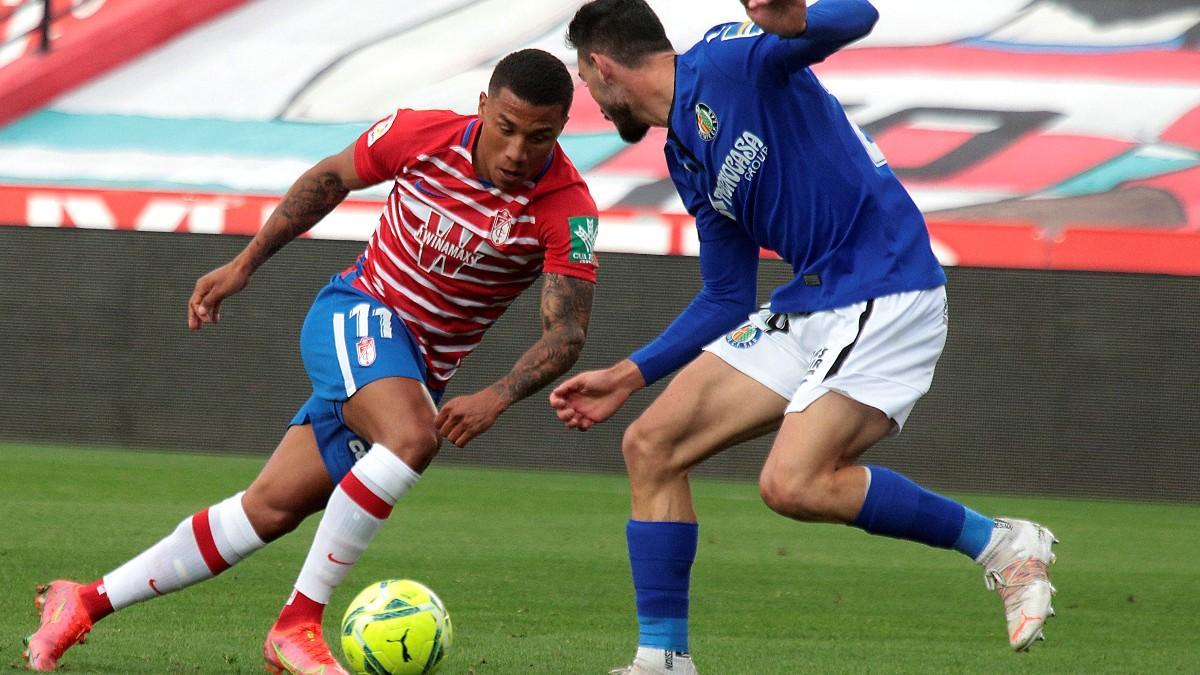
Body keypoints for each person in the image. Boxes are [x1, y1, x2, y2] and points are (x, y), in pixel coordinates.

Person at [23, 48, 600, 674]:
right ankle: (297, 625)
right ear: (483, 107)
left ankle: (80, 602)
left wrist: (497, 396)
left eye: (538, 137)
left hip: (411, 371)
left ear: (560, 130)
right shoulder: (420, 134)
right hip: (356, 312)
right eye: (506, 129)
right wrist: (243, 265)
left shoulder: (568, 209)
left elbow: (566, 334)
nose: (517, 151)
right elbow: (329, 179)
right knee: (411, 437)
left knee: (268, 510)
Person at [553, 1, 1058, 673]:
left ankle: (1001, 543)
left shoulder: (727, 61)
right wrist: (628, 373)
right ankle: (662, 660)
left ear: (602, 66)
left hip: (885, 284)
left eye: (585, 82)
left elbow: (858, 17)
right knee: (652, 443)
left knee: (793, 483)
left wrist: (793, 15)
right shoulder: (686, 151)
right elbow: (726, 296)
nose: (592, 98)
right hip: (816, 297)